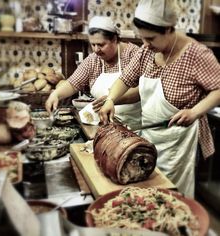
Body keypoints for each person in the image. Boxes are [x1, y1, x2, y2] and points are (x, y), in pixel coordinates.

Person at [99, 0, 220, 198]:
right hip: (151, 137)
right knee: (149, 189)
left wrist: (195, 112)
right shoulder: (148, 51)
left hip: (180, 143)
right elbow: (126, 79)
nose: (145, 44)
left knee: (171, 195)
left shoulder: (196, 54)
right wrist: (111, 99)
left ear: (169, 29)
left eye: (151, 38)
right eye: (142, 38)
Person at [45, 16, 141, 131]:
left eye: (101, 45)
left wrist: (112, 99)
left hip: (133, 127)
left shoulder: (134, 54)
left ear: (115, 39)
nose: (96, 50)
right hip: (104, 126)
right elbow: (73, 82)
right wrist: (55, 94)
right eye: (93, 45)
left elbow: (142, 90)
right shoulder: (94, 59)